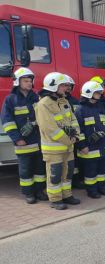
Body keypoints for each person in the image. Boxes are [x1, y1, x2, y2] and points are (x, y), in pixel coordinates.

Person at [1, 67, 47, 204]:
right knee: (25, 170)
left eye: (30, 80)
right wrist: (17, 139)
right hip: (23, 143)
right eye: (26, 81)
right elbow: (7, 121)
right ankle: (29, 193)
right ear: (17, 82)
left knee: (40, 169)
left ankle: (39, 191)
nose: (29, 83)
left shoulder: (37, 98)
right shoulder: (11, 100)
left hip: (38, 141)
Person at [36, 72, 81, 210]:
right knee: (54, 175)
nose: (66, 88)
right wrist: (69, 140)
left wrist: (76, 135)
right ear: (53, 86)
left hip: (68, 146)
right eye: (63, 85)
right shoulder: (43, 104)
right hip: (54, 148)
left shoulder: (64, 101)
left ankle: (67, 195)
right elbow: (49, 128)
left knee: (68, 172)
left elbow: (73, 119)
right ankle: (55, 199)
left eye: (66, 85)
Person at [74, 81, 105, 198]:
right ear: (89, 93)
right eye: (97, 92)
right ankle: (91, 190)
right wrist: (82, 145)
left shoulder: (100, 108)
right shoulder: (80, 110)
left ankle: (101, 187)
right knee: (91, 171)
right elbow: (78, 130)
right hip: (89, 148)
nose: (100, 94)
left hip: (101, 146)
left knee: (102, 169)